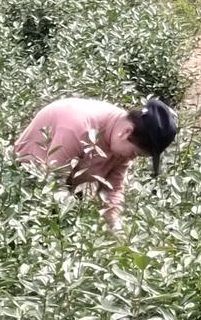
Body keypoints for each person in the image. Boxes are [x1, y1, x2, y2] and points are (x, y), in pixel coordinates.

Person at [13, 95, 177, 230]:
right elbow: (53, 184)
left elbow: (113, 188)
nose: (132, 158)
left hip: (67, 191)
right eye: (135, 153)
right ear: (126, 132)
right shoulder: (78, 126)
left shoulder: (120, 137)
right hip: (25, 182)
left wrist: (114, 224)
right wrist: (80, 221)